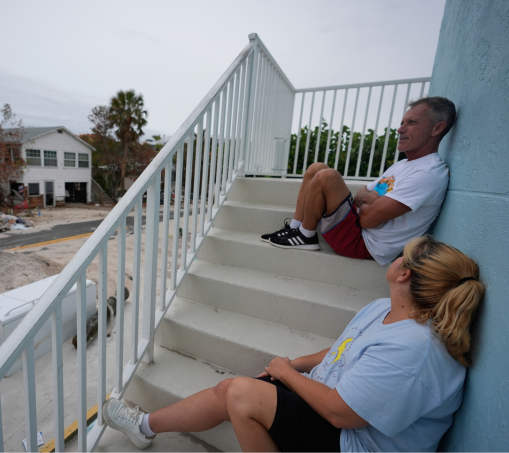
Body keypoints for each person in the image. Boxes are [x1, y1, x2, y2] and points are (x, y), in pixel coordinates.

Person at [101, 235, 484, 451]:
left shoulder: (416, 349)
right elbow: (344, 351)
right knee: (230, 390)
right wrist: (297, 364)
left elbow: (341, 414)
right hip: (336, 406)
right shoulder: (384, 308)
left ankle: (148, 424)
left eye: (403, 254)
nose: (397, 255)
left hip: (355, 442)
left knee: (240, 395)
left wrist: (285, 371)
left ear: (404, 272)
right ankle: (145, 425)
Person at [261, 96, 456, 266]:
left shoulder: (428, 174)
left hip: (364, 243)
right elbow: (360, 196)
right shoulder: (403, 165)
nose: (400, 129)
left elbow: (367, 219)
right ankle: (296, 228)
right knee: (316, 168)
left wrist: (373, 199)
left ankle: (306, 236)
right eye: (402, 122)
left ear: (437, 128)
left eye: (411, 123)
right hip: (356, 227)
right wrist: (375, 199)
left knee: (327, 177)